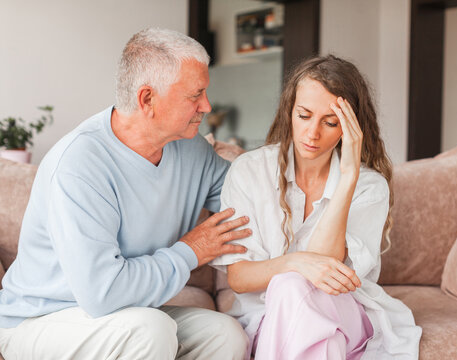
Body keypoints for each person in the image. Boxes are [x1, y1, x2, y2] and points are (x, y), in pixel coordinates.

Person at [0, 28, 251, 359]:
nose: (206, 105)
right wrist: (190, 251)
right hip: (40, 321)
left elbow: (250, 201)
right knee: (151, 331)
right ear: (147, 99)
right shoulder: (79, 164)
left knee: (225, 335)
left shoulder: (191, 150)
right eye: (195, 95)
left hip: (128, 314)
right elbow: (103, 294)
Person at [211, 55, 422, 359]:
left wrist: (348, 177)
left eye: (330, 122)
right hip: (270, 317)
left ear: (350, 128)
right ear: (289, 112)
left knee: (292, 287)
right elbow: (239, 278)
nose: (312, 134)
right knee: (295, 293)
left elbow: (326, 269)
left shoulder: (369, 186)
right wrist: (294, 263)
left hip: (344, 312)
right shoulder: (249, 171)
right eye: (304, 115)